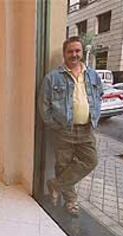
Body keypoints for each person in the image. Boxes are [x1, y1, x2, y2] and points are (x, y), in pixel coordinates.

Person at [38, 36, 103, 216]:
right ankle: (71, 201)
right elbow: (43, 105)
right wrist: (55, 125)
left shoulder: (93, 75)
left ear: (82, 52)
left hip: (86, 129)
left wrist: (95, 116)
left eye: (77, 51)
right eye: (70, 51)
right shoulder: (53, 77)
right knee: (63, 165)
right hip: (64, 129)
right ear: (64, 53)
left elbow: (99, 95)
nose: (74, 54)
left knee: (91, 160)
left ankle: (56, 185)